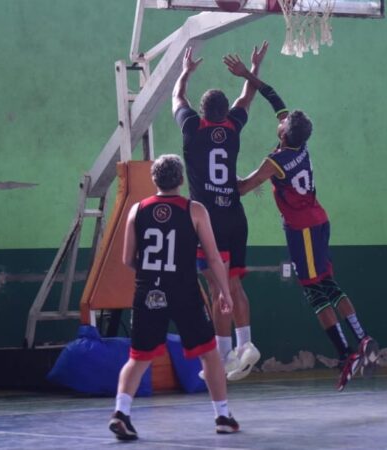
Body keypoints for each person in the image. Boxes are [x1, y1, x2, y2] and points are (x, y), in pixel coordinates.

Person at [222, 50, 378, 391]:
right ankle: (360, 339)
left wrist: (217, 176)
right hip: (318, 221)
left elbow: (244, 187)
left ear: (283, 132)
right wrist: (249, 72)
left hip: (302, 229)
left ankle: (348, 352)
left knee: (315, 291)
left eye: (282, 122)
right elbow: (273, 96)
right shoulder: (299, 145)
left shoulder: (276, 161)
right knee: (326, 284)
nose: (280, 119)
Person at [109, 155, 239, 440]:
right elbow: (213, 257)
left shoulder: (136, 210)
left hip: (148, 291)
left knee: (138, 358)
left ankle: (121, 412)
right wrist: (225, 292)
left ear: (154, 179)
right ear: (181, 180)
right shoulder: (195, 210)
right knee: (209, 354)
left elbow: (128, 259)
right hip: (184, 290)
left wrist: (153, 274)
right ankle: (222, 416)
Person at [170, 43, 269, 381]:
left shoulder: (191, 128)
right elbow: (247, 97)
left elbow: (176, 97)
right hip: (235, 216)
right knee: (234, 283)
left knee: (216, 288)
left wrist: (185, 72)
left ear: (201, 112)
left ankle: (225, 354)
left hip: (207, 222)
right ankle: (245, 344)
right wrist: (252, 69)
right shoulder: (233, 126)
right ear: (226, 112)